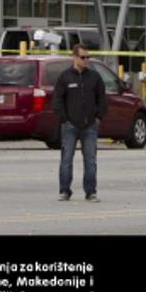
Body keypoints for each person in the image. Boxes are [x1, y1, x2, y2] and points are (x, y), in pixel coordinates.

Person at [52, 44, 106, 202]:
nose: (86, 60)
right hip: (70, 126)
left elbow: (102, 99)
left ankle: (90, 192)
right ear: (74, 58)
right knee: (66, 160)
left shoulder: (94, 77)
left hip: (89, 126)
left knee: (90, 160)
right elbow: (57, 100)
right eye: (83, 57)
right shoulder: (65, 77)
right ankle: (64, 190)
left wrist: (98, 118)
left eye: (88, 57)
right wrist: (64, 119)